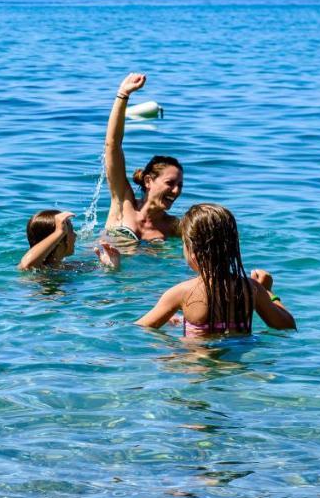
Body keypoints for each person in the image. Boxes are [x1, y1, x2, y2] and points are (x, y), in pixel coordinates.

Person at [136, 204, 295, 337]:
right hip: (238, 366)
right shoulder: (251, 289)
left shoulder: (181, 292)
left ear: (193, 251)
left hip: (194, 367)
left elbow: (139, 329)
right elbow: (286, 325)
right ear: (232, 247)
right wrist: (268, 292)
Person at [102, 73, 183, 244]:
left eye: (179, 186)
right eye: (170, 183)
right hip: (96, 269)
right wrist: (123, 94)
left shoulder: (174, 227)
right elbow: (112, 145)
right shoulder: (123, 203)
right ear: (148, 181)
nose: (176, 191)